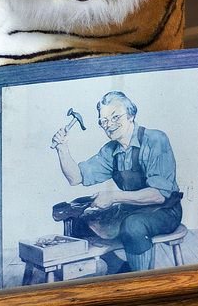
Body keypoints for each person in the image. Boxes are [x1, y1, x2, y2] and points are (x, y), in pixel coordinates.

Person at [52, 91, 182, 272]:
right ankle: (120, 269)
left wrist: (113, 197)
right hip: (129, 210)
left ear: (131, 115)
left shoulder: (155, 140)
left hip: (165, 211)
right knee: (78, 221)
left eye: (115, 117)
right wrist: (62, 148)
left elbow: (159, 195)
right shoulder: (110, 151)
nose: (109, 125)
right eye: (104, 121)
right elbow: (75, 178)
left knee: (133, 226)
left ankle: (140, 283)